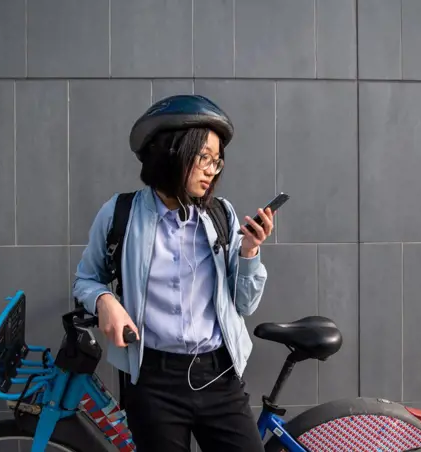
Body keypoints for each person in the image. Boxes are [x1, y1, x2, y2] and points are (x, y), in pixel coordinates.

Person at [72, 94, 273, 451]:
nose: (214, 170)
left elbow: (244, 304)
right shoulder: (120, 214)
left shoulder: (221, 216)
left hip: (219, 376)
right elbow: (86, 279)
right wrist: (104, 300)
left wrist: (249, 252)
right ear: (171, 153)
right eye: (204, 158)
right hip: (153, 383)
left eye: (218, 161)